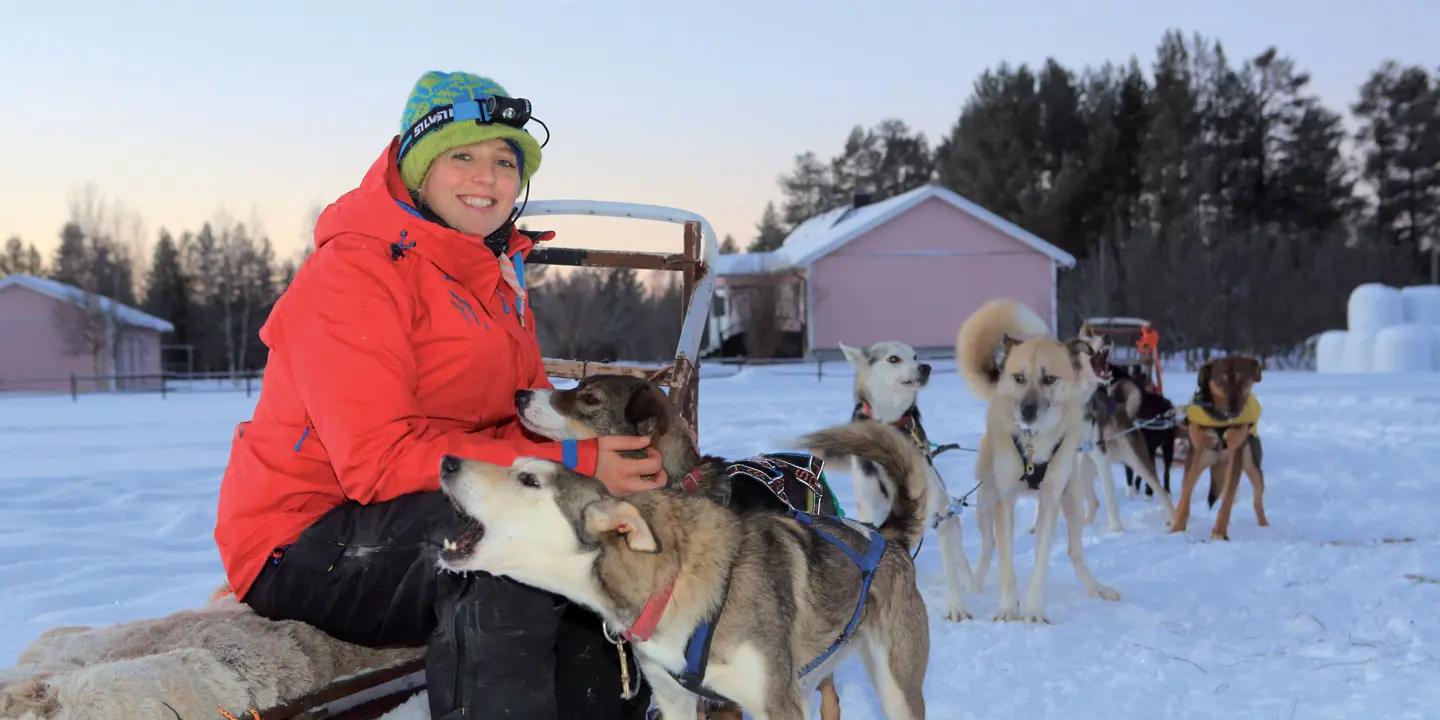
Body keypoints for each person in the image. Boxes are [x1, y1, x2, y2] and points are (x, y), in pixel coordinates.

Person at [213, 70, 665, 719]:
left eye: (505, 161)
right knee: (509, 545)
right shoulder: (355, 271)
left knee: (603, 532)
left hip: (432, 504)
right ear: (419, 168)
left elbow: (525, 415)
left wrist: (615, 458)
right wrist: (572, 466)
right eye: (463, 157)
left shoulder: (490, 273)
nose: (487, 178)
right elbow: (376, 462)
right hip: (305, 540)